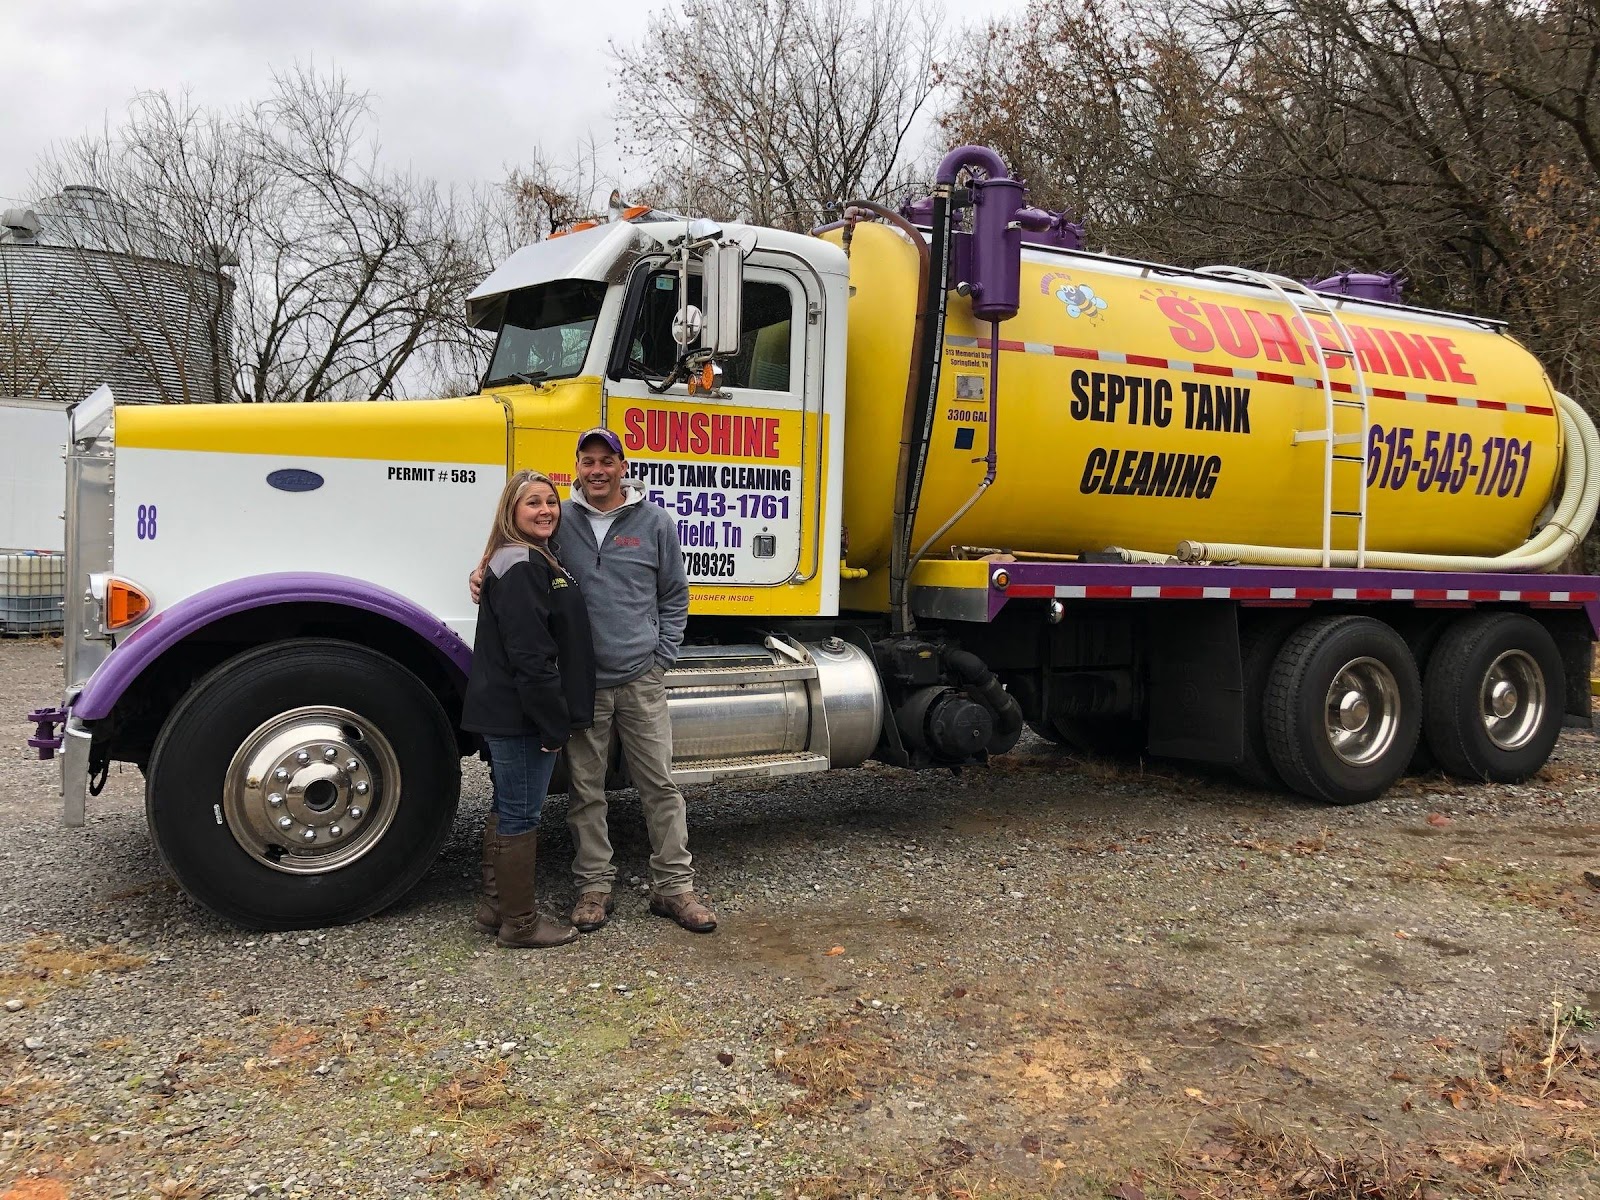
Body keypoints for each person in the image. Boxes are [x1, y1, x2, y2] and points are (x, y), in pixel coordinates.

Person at [472, 429, 717, 934]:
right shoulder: (561, 519)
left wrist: (661, 658)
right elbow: (515, 549)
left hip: (641, 677)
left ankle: (675, 887)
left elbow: (674, 594)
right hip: (583, 686)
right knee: (586, 790)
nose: (598, 470)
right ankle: (593, 886)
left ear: (623, 466)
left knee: (660, 786)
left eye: (607, 460)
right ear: (577, 467)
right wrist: (480, 573)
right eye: (588, 461)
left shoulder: (654, 522)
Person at [461, 469, 595, 948]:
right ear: (511, 511)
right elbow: (531, 656)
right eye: (533, 502)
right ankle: (520, 924)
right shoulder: (521, 564)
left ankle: (495, 907)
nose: (546, 510)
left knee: (507, 808)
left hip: (513, 711)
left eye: (551, 501)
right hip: (521, 716)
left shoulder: (527, 557)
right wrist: (552, 723)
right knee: (521, 816)